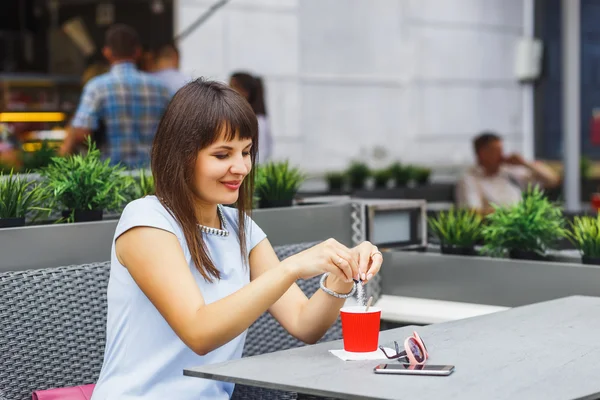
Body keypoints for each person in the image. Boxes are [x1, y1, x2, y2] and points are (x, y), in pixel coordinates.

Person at [90, 79, 383, 399]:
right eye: (222, 154)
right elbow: (199, 332)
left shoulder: (240, 228)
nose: (241, 167)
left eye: (246, 152)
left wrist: (341, 272)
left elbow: (305, 325)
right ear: (181, 155)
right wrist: (290, 268)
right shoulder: (147, 222)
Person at [59, 24, 171, 168]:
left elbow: (81, 134)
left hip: (112, 177)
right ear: (138, 52)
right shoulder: (162, 88)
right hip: (152, 175)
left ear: (107, 52)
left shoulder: (97, 87)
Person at [456, 131, 561, 214]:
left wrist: (524, 163)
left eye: (501, 150)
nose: (501, 155)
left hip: (522, 226)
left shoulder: (509, 172)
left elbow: (552, 180)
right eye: (495, 151)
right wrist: (510, 215)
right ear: (481, 154)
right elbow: (474, 213)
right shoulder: (469, 179)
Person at [229, 71, 273, 163]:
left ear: (246, 92)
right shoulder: (232, 117)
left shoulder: (258, 121)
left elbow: (261, 153)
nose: (228, 91)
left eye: (233, 87)